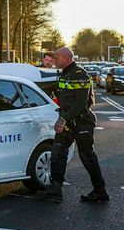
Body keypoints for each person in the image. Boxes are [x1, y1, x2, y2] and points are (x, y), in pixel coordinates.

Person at [25, 46, 108, 203]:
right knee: (56, 154)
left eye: (57, 58)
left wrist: (63, 119)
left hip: (82, 123)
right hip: (68, 123)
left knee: (87, 157)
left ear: (66, 58)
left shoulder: (80, 75)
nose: (54, 61)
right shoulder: (64, 74)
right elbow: (56, 89)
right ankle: (56, 190)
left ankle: (100, 191)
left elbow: (81, 103)